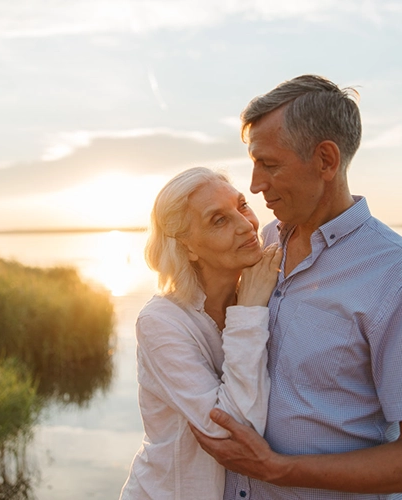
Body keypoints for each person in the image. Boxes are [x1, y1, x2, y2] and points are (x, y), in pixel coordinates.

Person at [190, 75, 402, 499]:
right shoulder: (262, 243)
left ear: (326, 160)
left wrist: (280, 470)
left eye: (269, 164)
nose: (254, 184)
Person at [119, 167, 282, 500]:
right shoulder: (161, 321)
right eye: (218, 220)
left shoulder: (260, 282)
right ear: (188, 247)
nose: (245, 225)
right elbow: (229, 429)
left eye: (242, 206)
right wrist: (249, 310)